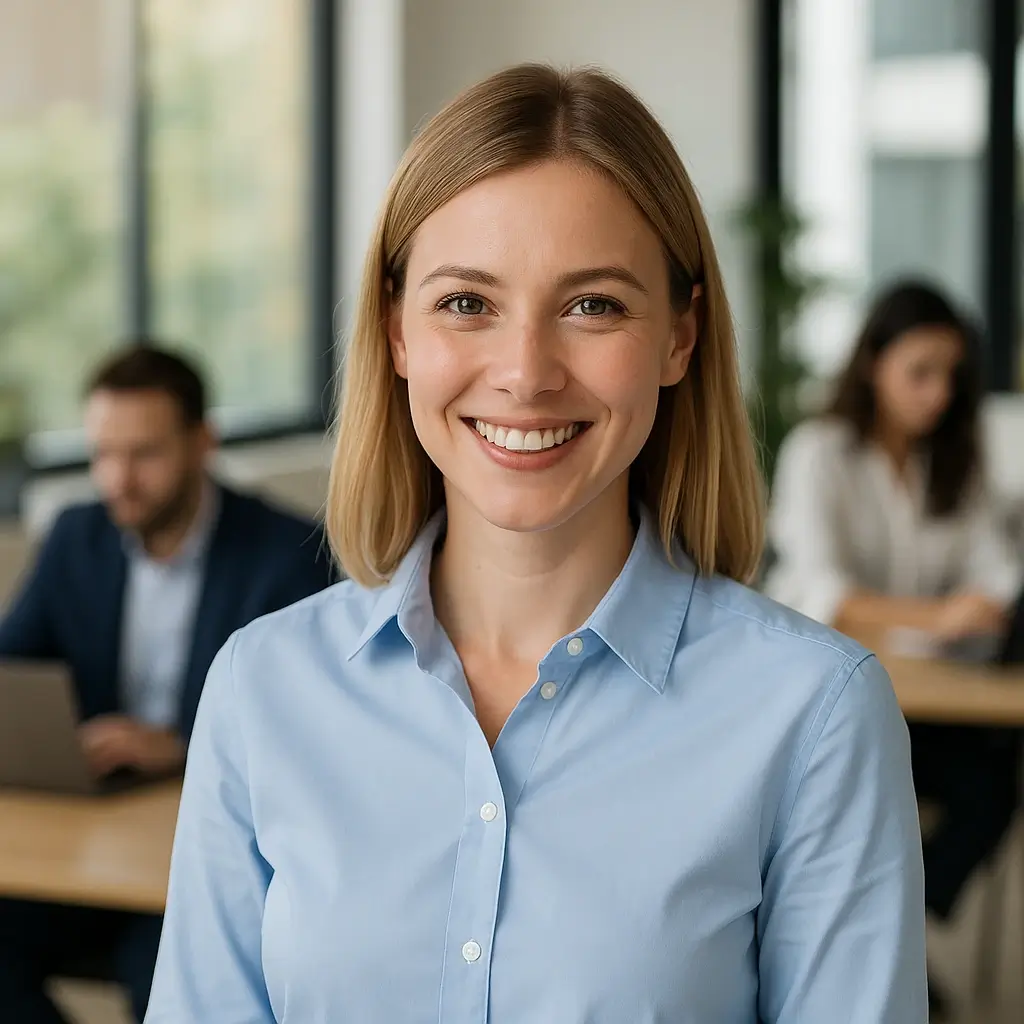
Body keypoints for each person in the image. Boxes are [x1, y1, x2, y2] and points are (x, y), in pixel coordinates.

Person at [146, 65, 926, 1022]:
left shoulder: (815, 716)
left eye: (592, 305)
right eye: (467, 303)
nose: (524, 374)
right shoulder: (262, 689)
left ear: (680, 336)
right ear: (396, 332)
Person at [0, 344, 333, 1023]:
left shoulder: (288, 555)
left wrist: (183, 746)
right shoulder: (76, 536)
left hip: (198, 853)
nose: (117, 479)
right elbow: (13, 668)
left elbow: (314, 735)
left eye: (143, 454)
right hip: (91, 842)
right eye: (102, 454)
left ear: (201, 442)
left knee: (162, 973)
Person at [765, 280, 1021, 1012]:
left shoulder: (955, 466)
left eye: (951, 375)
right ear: (874, 363)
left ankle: (894, 933)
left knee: (994, 783)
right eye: (921, 371)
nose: (938, 393)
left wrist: (984, 605)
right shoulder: (821, 454)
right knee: (866, 799)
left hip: (927, 699)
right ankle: (871, 944)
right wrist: (939, 618)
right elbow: (821, 591)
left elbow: (995, 572)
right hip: (829, 703)